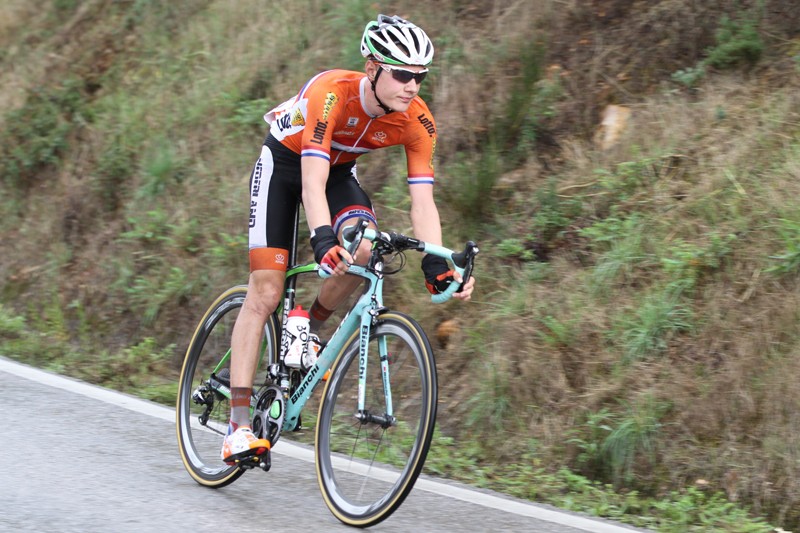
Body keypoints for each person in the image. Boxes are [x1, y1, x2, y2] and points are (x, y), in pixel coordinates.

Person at [220, 14, 476, 464]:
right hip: (285, 163)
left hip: (339, 172)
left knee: (364, 244)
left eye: (420, 77)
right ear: (373, 67)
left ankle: (306, 325)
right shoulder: (331, 92)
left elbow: (423, 202)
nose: (412, 86)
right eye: (402, 74)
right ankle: (237, 427)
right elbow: (310, 183)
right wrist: (320, 238)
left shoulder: (418, 121)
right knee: (265, 290)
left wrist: (436, 261)